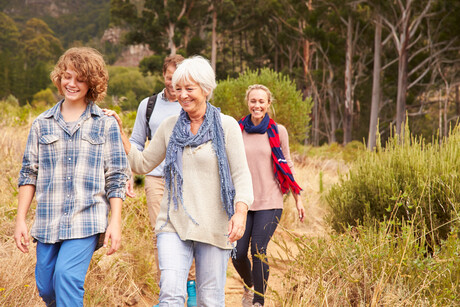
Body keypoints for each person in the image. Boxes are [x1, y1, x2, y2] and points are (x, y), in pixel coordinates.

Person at [105, 55, 254, 306]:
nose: (182, 95)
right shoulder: (169, 126)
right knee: (171, 294)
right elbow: (141, 163)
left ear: (206, 89)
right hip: (173, 222)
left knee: (209, 299)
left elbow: (241, 175)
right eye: (178, 88)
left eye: (189, 89)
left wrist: (240, 212)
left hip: (214, 224)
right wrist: (120, 133)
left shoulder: (227, 127)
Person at [13, 47, 130, 306]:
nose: (72, 84)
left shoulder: (105, 123)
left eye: (80, 79)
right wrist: (20, 219)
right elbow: (28, 173)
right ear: (59, 78)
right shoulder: (41, 123)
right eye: (67, 76)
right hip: (48, 221)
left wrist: (115, 221)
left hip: (86, 218)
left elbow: (117, 176)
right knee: (46, 286)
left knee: (66, 277)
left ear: (92, 83)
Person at [127, 54, 198, 307]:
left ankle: (190, 288)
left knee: (187, 232)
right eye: (170, 78)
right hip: (155, 178)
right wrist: (130, 173)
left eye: (179, 80)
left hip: (187, 179)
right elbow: (136, 141)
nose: (173, 84)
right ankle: (167, 293)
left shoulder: (190, 102)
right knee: (161, 235)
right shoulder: (148, 105)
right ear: (163, 76)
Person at [232, 84, 305, 307]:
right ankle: (249, 284)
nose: (257, 105)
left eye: (261, 101)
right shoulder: (237, 129)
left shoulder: (278, 131)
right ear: (248, 102)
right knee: (237, 253)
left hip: (270, 200)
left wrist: (297, 196)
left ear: (268, 104)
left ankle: (258, 302)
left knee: (258, 249)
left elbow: (287, 163)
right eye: (253, 101)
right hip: (243, 202)